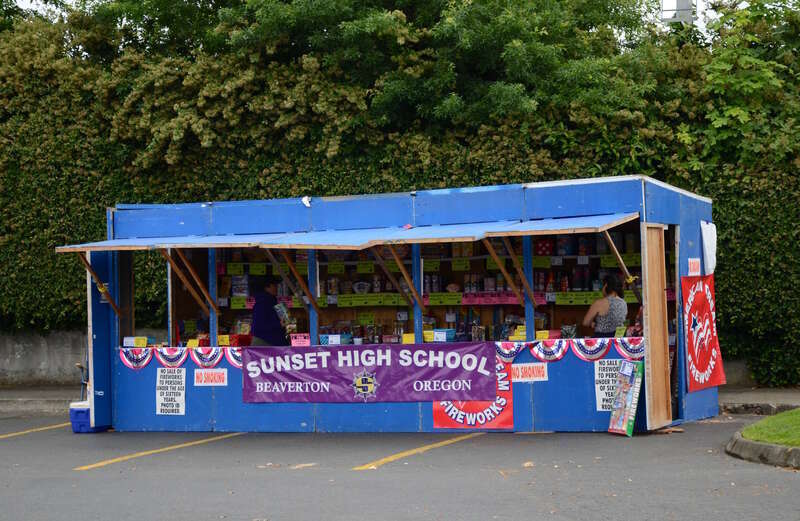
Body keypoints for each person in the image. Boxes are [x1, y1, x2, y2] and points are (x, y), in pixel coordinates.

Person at [250, 276, 289, 346]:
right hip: (264, 342)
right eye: (274, 285)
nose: (277, 287)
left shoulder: (272, 301)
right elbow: (259, 326)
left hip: (273, 341)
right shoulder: (262, 303)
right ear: (267, 287)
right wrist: (279, 324)